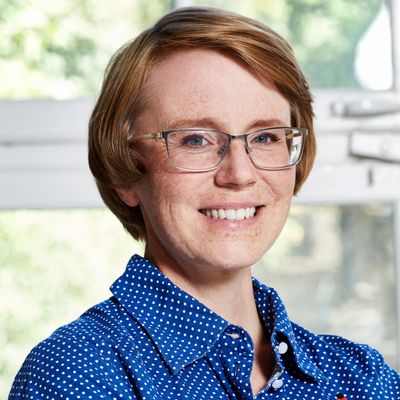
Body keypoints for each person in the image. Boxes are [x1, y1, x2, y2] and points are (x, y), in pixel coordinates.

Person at [9, 6, 400, 400]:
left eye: (265, 137)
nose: (239, 174)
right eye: (195, 140)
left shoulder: (361, 376)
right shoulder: (77, 370)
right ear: (125, 172)